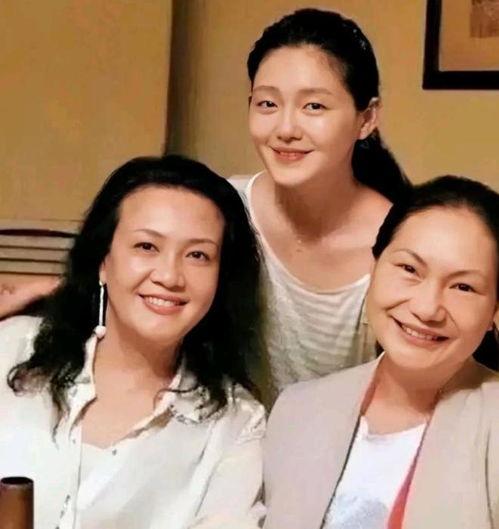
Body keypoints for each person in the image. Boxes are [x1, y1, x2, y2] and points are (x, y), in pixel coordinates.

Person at [1, 9, 411, 403]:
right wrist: (47, 291)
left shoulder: (401, 243)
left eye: (314, 106)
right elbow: (151, 282)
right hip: (213, 431)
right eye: (267, 104)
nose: (286, 128)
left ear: (367, 119)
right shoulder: (221, 208)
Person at [0, 155, 265, 529]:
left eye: (198, 255)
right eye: (146, 247)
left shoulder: (236, 425)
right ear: (103, 261)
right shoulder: (11, 348)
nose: (170, 276)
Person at [263, 175, 499, 529]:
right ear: (373, 267)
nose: (427, 308)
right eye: (409, 269)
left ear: (494, 309)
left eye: (463, 287)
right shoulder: (297, 410)